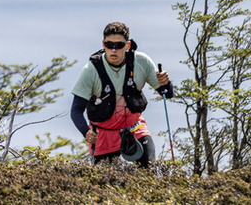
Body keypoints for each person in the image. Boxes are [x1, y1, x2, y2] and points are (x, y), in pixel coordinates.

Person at [69, 21, 173, 166]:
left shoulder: (142, 62)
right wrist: (86, 132)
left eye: (119, 45)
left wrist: (166, 83)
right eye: (108, 45)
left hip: (134, 127)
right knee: (104, 183)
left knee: (150, 168)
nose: (113, 50)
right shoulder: (91, 70)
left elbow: (166, 93)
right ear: (103, 44)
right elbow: (76, 110)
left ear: (128, 45)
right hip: (103, 134)